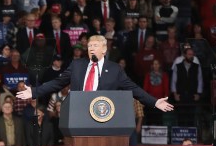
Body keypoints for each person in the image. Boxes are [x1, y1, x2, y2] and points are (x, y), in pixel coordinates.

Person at [16, 35, 174, 113]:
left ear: (104, 50)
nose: (91, 48)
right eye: (90, 45)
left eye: (96, 45)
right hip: (79, 114)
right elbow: (57, 83)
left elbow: (133, 88)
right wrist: (34, 91)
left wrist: (154, 102)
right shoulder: (77, 65)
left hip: (103, 116)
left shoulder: (114, 69)